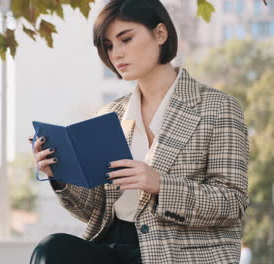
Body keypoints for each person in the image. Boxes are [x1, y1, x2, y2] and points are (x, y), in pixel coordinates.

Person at [28, 0, 250, 263]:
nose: (116, 54)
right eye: (109, 46)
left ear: (160, 33)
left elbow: (232, 203)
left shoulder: (218, 107)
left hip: (177, 252)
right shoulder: (111, 115)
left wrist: (159, 184)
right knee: (52, 250)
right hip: (112, 245)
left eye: (126, 39)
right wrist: (59, 176)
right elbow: (95, 211)